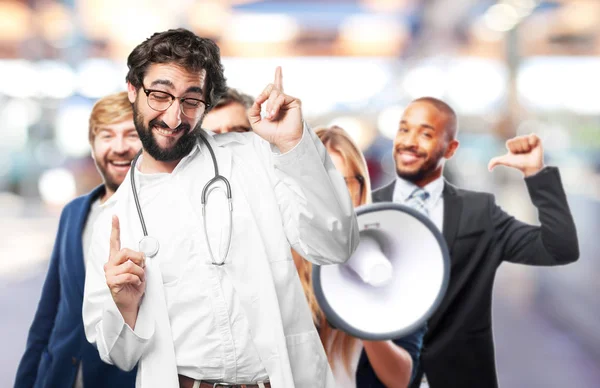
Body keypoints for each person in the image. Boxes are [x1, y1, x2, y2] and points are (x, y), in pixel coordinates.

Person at [82, 28, 358, 388]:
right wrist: (124, 305)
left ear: (206, 103)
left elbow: (335, 244)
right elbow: (118, 354)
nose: (174, 117)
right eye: (160, 95)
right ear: (133, 90)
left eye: (191, 100)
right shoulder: (112, 220)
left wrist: (294, 144)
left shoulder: (256, 157)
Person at [371, 96, 579, 388]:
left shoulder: (479, 213)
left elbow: (559, 248)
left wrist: (536, 174)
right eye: (404, 130)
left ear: (451, 148)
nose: (409, 141)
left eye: (426, 133)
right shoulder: (368, 211)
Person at [15, 92, 141, 388]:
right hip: (59, 374)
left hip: (122, 379)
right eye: (107, 136)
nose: (119, 147)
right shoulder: (75, 212)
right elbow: (49, 309)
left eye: (131, 134)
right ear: (93, 145)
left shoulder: (156, 214)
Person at [292, 125, 425, 388]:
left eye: (341, 182)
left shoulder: (393, 262)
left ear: (359, 186)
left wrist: (364, 314)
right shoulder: (277, 260)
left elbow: (401, 379)